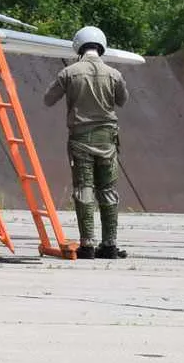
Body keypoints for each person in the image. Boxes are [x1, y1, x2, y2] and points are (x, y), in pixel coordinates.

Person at [43, 26, 129, 260]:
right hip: (107, 139)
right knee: (109, 190)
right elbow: (123, 100)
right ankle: (109, 245)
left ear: (78, 46)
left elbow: (48, 99)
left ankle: (87, 245)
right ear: (101, 46)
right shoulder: (114, 74)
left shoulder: (69, 73)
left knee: (84, 190)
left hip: (80, 137)